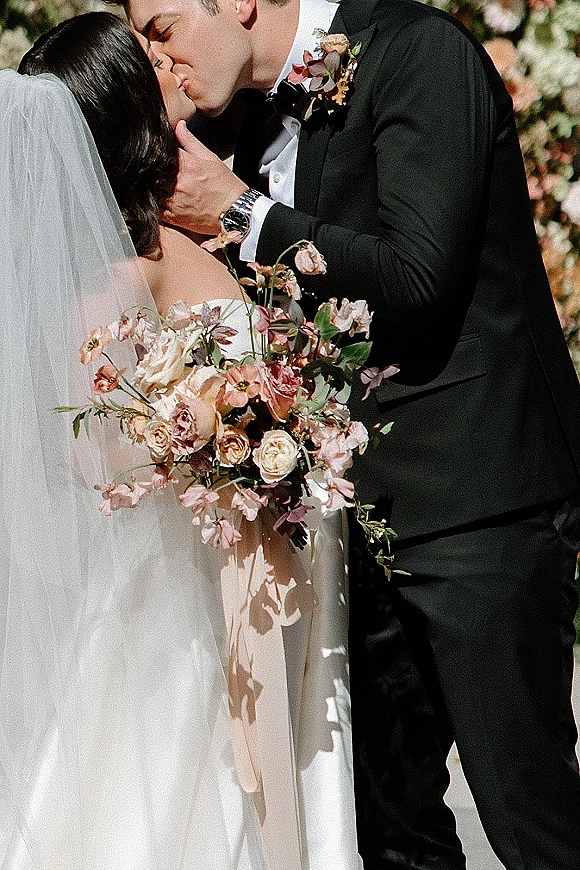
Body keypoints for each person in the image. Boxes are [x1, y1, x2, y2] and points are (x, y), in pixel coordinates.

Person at [121, 0, 580, 868]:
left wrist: (240, 213)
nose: (156, 57)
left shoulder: (419, 54)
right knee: (390, 826)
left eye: (161, 28)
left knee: (530, 815)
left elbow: (417, 277)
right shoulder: (239, 128)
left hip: (477, 504)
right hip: (350, 525)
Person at [6, 12, 361, 870]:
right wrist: (211, 441)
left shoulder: (176, 223)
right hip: (186, 580)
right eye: (148, 55)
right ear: (123, 97)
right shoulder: (128, 261)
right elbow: (82, 445)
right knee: (179, 783)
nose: (169, 60)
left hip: (253, 553)